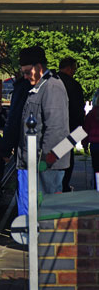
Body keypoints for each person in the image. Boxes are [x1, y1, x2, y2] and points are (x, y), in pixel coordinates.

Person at [17, 46, 70, 214]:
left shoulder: (52, 87)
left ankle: (43, 239)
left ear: (39, 68)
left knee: (47, 211)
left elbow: (56, 130)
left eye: (27, 72)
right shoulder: (41, 86)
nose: (25, 77)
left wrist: (45, 162)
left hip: (46, 164)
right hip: (35, 161)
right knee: (35, 209)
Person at [58, 57, 85, 191]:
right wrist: (81, 133)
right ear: (69, 69)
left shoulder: (51, 82)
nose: (74, 72)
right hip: (70, 130)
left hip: (53, 130)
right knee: (67, 159)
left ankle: (57, 185)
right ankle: (64, 186)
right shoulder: (74, 85)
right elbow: (79, 110)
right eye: (74, 69)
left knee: (54, 158)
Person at [82, 90, 99, 189]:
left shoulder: (92, 114)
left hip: (95, 144)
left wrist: (84, 144)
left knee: (96, 167)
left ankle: (96, 186)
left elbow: (85, 129)